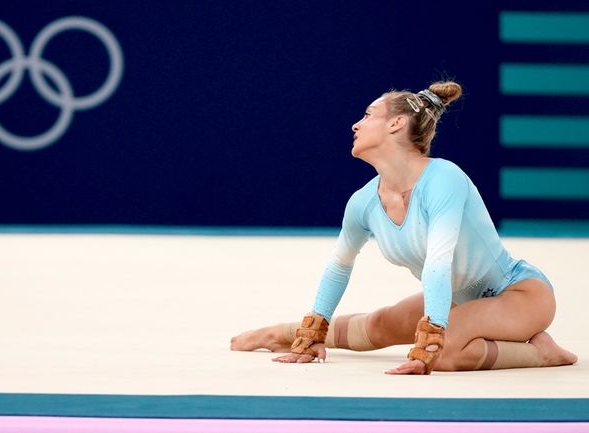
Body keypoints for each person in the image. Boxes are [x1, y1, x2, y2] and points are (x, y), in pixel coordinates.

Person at [230, 80, 578, 374]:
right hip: (457, 298)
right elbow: (339, 266)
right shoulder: (364, 202)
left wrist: (432, 333)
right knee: (381, 325)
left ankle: (541, 353)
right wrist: (313, 330)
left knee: (443, 350)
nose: (356, 124)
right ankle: (283, 333)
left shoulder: (444, 179)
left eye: (367, 115)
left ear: (396, 124)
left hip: (519, 295)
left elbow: (438, 262)